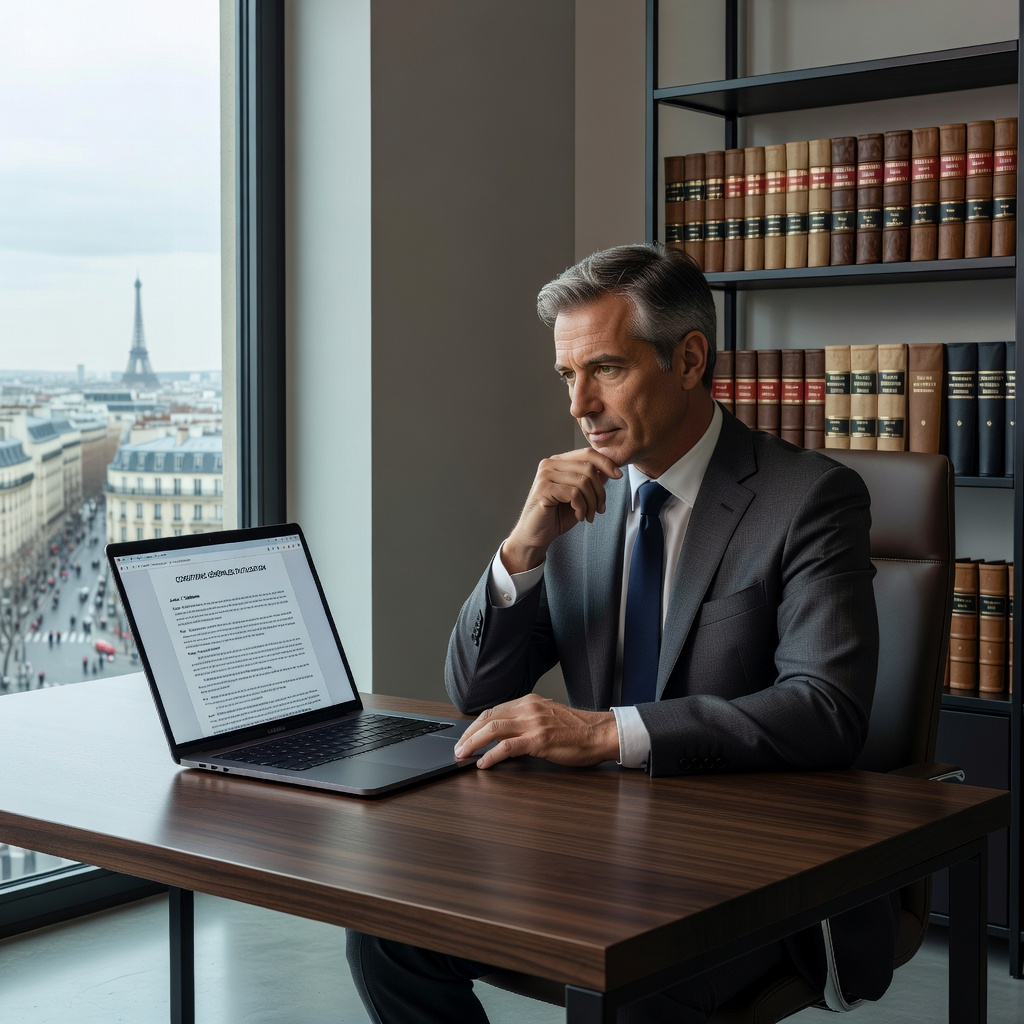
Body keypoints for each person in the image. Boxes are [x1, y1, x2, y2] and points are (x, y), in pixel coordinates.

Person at [346, 244, 891, 1023]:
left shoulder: (809, 499)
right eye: (568, 376)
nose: (578, 405)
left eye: (604, 369)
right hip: (593, 847)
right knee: (387, 934)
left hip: (744, 872)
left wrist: (604, 734)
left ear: (690, 359)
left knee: (626, 986)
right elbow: (476, 691)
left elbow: (825, 709)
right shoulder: (580, 504)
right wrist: (521, 548)